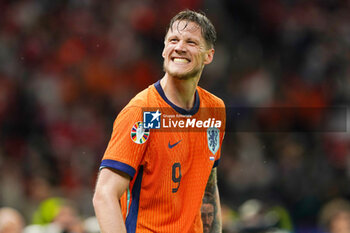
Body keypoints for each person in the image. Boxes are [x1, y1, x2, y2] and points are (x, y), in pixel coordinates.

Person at [93, 9, 226, 233]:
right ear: (164, 50)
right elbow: (104, 194)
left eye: (191, 42)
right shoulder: (142, 112)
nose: (179, 47)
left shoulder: (214, 110)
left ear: (209, 55)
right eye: (173, 40)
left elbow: (208, 187)